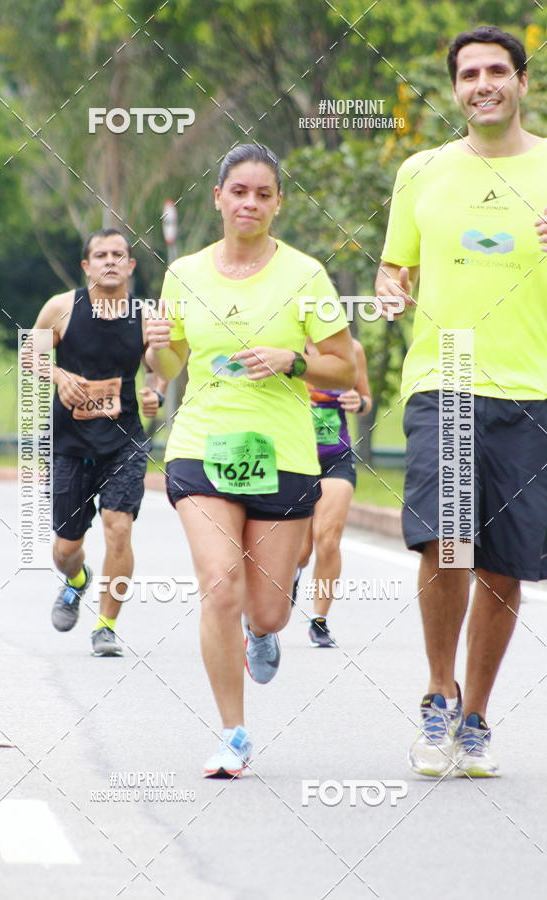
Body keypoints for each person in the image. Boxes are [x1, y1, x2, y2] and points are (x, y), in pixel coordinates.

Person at [145, 143, 355, 778]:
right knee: (218, 587)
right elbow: (170, 366)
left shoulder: (304, 274)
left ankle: (263, 633)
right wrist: (156, 349)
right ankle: (233, 733)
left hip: (283, 454)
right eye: (239, 191)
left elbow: (342, 361)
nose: (250, 203)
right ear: (218, 198)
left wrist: (293, 359)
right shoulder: (183, 273)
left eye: (263, 194)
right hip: (202, 446)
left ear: (278, 203)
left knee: (266, 609)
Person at [376, 26, 547, 777]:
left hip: (531, 388)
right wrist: (388, 286)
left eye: (496, 71)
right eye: (469, 73)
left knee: (504, 567)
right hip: (442, 376)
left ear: (521, 81)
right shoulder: (420, 171)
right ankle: (439, 695)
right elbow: (394, 267)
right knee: (447, 542)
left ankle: (476, 717)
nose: (483, 83)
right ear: (455, 89)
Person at [32, 228, 164, 657]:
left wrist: (155, 392)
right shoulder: (62, 308)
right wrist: (59, 375)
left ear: (130, 265)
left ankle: (106, 626)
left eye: (118, 254)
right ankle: (75, 580)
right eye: (100, 254)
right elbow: (30, 352)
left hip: (124, 441)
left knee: (118, 528)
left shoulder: (145, 315)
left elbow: (158, 367)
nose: (110, 260)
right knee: (66, 548)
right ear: (87, 266)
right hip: (70, 443)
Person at [294, 338, 371, 647]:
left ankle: (319, 621)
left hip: (336, 457)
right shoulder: (286, 346)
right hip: (294, 457)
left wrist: (359, 402)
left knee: (328, 538)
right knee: (300, 552)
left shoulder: (352, 350)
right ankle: (293, 576)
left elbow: (365, 398)